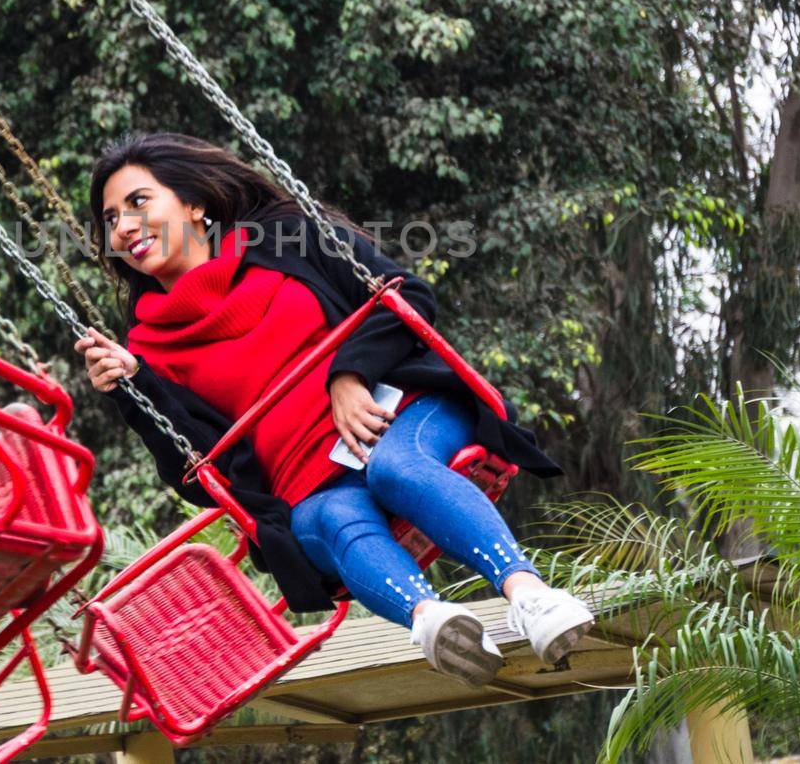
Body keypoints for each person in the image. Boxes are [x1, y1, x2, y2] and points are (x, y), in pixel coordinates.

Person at [75, 132, 596, 685]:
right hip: (305, 481)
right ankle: (435, 623)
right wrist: (135, 394)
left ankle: (530, 596)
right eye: (110, 219)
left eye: (138, 202)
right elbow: (198, 472)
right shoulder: (146, 349)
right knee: (332, 519)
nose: (124, 228)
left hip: (395, 414)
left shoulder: (283, 236)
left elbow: (407, 294)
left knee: (395, 468)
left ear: (193, 203)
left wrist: (349, 375)